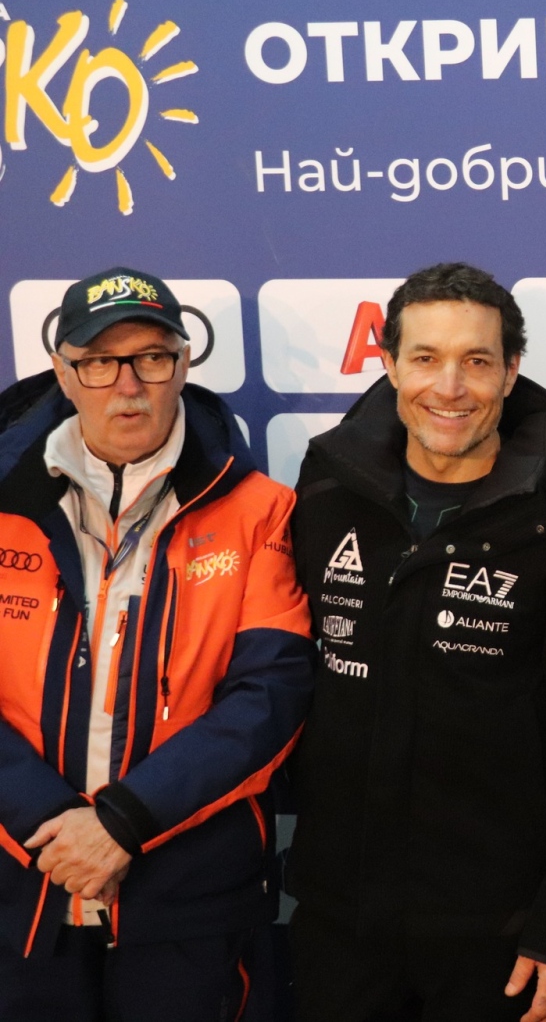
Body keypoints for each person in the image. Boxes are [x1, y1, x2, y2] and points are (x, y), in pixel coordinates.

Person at [286, 263, 546, 1022]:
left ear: (511, 372)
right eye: (425, 358)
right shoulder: (325, 492)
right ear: (389, 364)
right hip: (337, 926)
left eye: (476, 361)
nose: (449, 387)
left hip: (502, 943)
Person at [0, 267, 316, 1021]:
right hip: (23, 884)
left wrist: (121, 824)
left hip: (188, 898)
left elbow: (269, 697)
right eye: (100, 363)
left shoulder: (260, 509)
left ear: (183, 364)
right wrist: (49, 828)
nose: (128, 386)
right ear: (63, 374)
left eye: (151, 357)